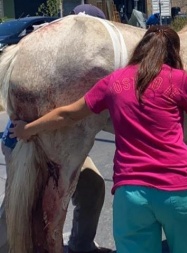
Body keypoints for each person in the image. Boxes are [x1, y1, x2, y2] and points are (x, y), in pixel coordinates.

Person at [11, 25, 187, 253]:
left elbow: (68, 114)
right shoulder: (179, 79)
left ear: (141, 49)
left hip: (132, 194)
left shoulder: (114, 82)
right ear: (173, 53)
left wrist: (28, 129)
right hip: (181, 189)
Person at [0, 5, 111, 253]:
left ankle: (81, 245)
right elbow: (62, 115)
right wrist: (29, 130)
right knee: (23, 203)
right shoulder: (51, 58)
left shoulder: (79, 70)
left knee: (92, 185)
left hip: (58, 142)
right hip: (25, 141)